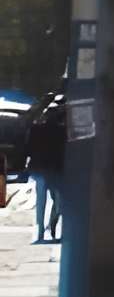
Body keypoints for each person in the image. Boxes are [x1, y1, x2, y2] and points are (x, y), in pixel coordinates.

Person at [25, 95, 68, 246]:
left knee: (43, 201)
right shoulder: (63, 131)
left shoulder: (37, 128)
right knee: (57, 201)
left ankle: (43, 230)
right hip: (55, 168)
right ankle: (50, 227)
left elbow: (29, 149)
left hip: (41, 167)